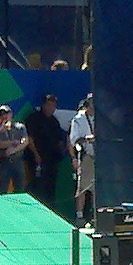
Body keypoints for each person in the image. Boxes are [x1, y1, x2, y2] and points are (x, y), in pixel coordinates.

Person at [25, 94, 65, 206]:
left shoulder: (54, 122)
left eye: (54, 106)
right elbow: (29, 138)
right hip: (37, 160)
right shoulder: (34, 118)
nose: (51, 108)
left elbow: (59, 141)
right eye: (49, 105)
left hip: (52, 161)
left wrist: (62, 151)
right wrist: (36, 155)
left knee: (51, 187)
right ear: (44, 105)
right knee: (38, 187)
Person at [69, 93, 95, 225]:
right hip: (86, 155)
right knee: (83, 186)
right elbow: (73, 140)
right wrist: (87, 139)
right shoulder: (78, 119)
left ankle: (96, 215)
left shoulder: (100, 117)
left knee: (98, 187)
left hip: (100, 157)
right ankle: (79, 216)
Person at [0, 104, 29, 194]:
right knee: (3, 189)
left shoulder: (19, 127)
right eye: (2, 114)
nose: (4, 116)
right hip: (5, 161)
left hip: (18, 161)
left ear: (11, 114)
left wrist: (13, 150)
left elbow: (25, 141)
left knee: (20, 189)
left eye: (6, 113)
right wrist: (13, 142)